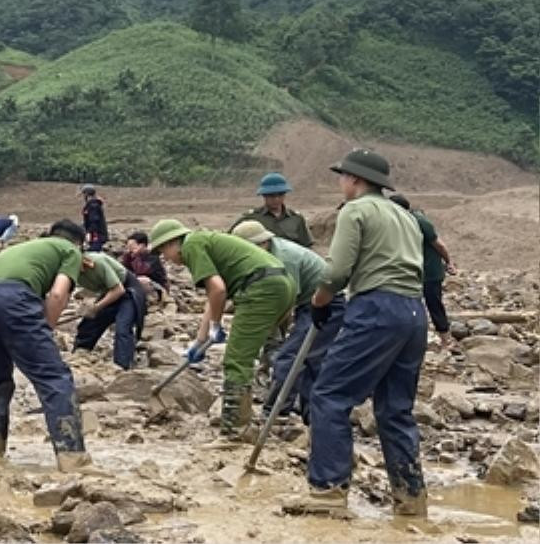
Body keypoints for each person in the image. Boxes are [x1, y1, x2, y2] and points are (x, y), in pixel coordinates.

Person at [286, 149, 428, 518]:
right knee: (396, 409)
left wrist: (319, 302)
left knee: (330, 394)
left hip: (376, 307)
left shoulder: (356, 210)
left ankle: (328, 491)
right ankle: (411, 497)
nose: (341, 182)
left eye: (343, 177)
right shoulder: (405, 215)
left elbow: (336, 273)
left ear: (355, 180)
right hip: (413, 312)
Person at [149, 219, 296, 445]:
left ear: (173, 243)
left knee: (236, 360)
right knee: (252, 353)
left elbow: (218, 290)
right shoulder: (206, 241)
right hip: (282, 285)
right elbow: (213, 296)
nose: (166, 258)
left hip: (261, 288)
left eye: (163, 251)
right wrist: (199, 341)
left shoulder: (191, 246)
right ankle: (250, 422)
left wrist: (217, 326)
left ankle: (234, 433)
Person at [0, 219, 92, 471]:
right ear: (78, 243)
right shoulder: (71, 251)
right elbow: (57, 294)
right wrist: (46, 328)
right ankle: (73, 459)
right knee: (54, 378)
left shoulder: (27, 247)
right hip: (14, 298)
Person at [230, 221, 344, 422]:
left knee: (291, 357)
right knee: (311, 359)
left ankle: (275, 412)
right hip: (311, 303)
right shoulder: (268, 255)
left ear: (263, 243)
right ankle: (313, 415)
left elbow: (285, 302)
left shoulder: (284, 259)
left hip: (326, 304)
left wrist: (274, 335)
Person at [388, 194, 457, 350]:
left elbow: (439, 245)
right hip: (412, 271)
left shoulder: (419, 221)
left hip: (430, 271)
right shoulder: (399, 222)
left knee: (434, 303)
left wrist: (448, 262)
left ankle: (445, 338)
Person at [72, 252, 147, 370]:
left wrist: (96, 307)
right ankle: (80, 354)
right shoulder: (70, 273)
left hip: (128, 290)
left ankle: (122, 368)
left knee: (123, 328)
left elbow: (118, 290)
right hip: (108, 291)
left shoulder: (98, 262)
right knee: (89, 323)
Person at [232, 172, 313, 248]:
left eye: (280, 194)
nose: (276, 199)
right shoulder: (250, 218)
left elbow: (307, 247)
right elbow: (231, 240)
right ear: (264, 195)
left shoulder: (296, 219)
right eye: (271, 196)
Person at [119, 232, 170, 305]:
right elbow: (123, 270)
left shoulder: (153, 256)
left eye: (132, 246)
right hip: (139, 285)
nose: (130, 250)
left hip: (157, 287)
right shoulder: (130, 256)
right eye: (128, 247)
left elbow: (141, 270)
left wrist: (136, 256)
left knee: (143, 280)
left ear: (142, 245)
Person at [80, 185, 108, 252]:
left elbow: (94, 221)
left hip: (96, 235)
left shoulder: (93, 205)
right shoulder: (92, 204)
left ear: (87, 194)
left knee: (93, 252)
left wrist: (89, 233)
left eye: (84, 194)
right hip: (96, 234)